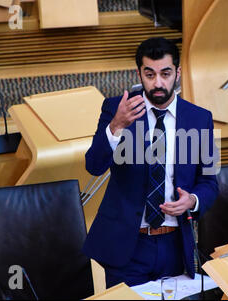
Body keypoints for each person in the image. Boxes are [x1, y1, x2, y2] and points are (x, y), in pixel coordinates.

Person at [82, 37, 219, 288]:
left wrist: (193, 200)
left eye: (165, 73)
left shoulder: (199, 119)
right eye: (150, 74)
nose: (158, 83)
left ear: (177, 73)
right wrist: (116, 126)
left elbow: (209, 182)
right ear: (139, 73)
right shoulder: (117, 109)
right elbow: (93, 165)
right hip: (128, 245)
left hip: (175, 244)